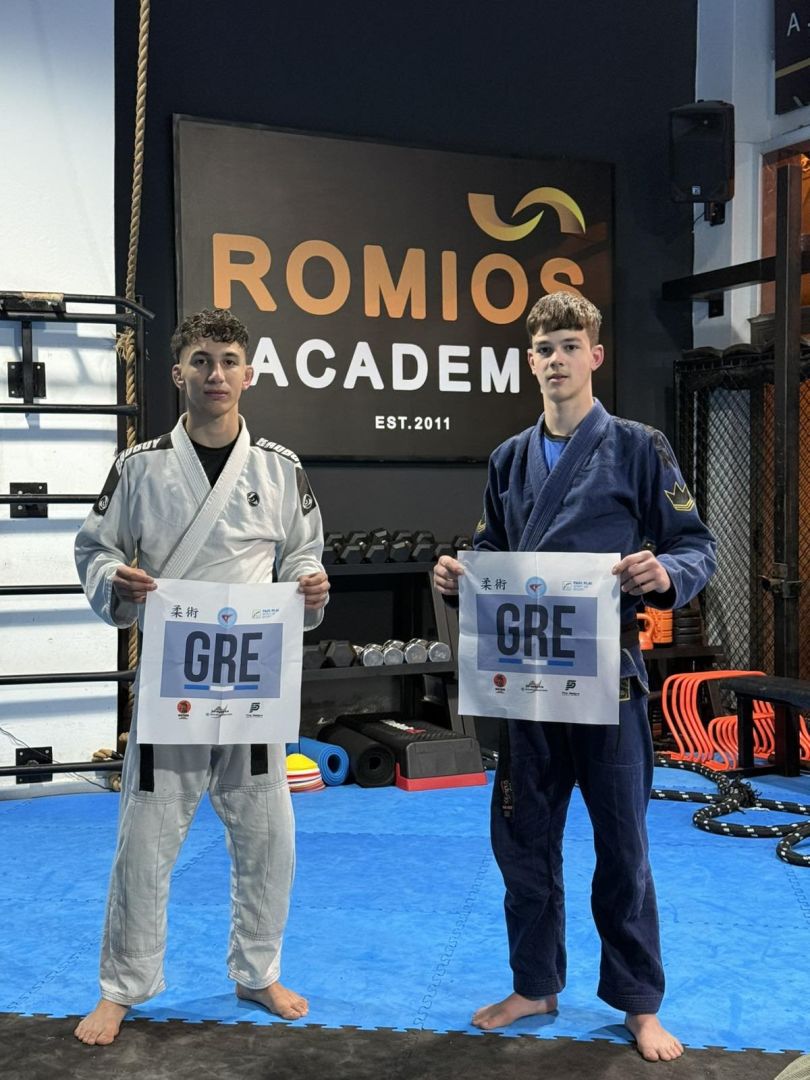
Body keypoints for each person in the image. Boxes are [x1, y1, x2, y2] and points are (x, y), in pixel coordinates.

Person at [434, 292, 716, 1062]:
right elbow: (492, 548)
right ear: (530, 362)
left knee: (623, 849)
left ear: (595, 355)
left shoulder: (638, 447)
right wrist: (461, 574)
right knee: (522, 843)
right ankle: (535, 984)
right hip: (526, 683)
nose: (556, 359)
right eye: (544, 349)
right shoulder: (509, 459)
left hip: (608, 682)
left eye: (569, 345)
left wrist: (666, 573)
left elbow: (696, 546)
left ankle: (639, 1003)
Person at [73, 308, 330, 1045]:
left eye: (228, 361)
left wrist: (310, 585)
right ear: (178, 372)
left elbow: (303, 553)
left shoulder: (280, 467)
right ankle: (123, 986)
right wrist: (115, 579)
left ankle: (257, 971)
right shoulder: (140, 465)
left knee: (270, 838)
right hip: (172, 682)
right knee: (145, 839)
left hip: (251, 683)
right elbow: (95, 548)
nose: (215, 374)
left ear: (248, 373)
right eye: (201, 361)